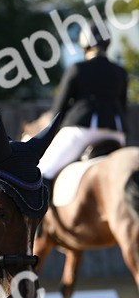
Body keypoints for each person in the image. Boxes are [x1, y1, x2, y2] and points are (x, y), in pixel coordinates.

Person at [38, 22, 128, 183]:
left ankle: (39, 207)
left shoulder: (78, 68)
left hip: (84, 129)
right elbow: (123, 106)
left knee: (44, 170)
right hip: (116, 132)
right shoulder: (120, 71)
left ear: (84, 44)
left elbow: (59, 108)